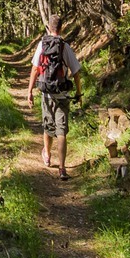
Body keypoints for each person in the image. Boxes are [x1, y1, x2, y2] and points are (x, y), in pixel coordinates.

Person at [26, 14, 81, 179]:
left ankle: (47, 155)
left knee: (48, 126)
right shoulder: (65, 47)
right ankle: (62, 168)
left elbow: (35, 69)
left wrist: (29, 91)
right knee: (61, 130)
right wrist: (79, 93)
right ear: (61, 28)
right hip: (62, 95)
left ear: (48, 28)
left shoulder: (42, 45)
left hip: (46, 94)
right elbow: (76, 72)